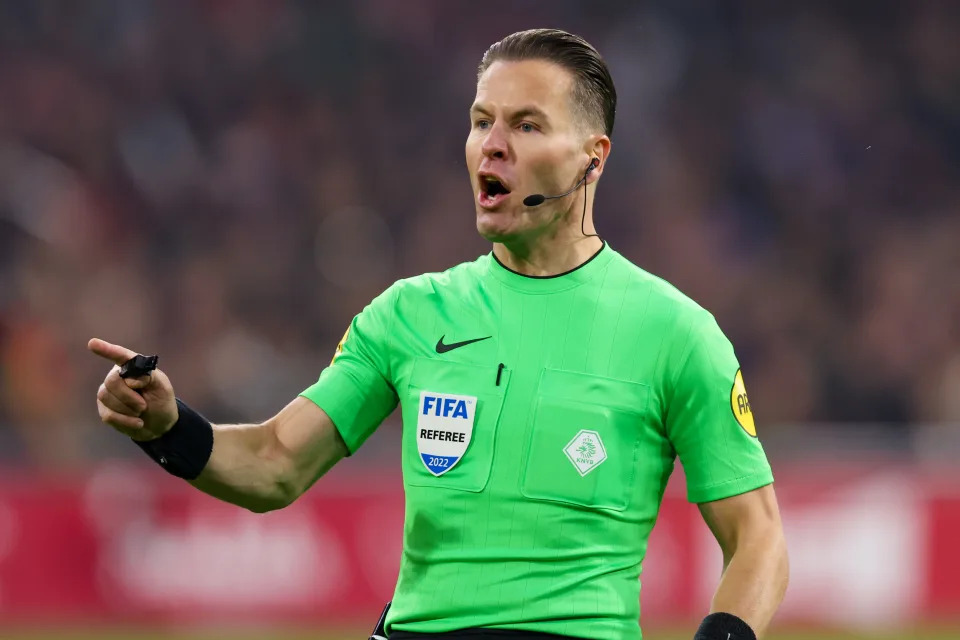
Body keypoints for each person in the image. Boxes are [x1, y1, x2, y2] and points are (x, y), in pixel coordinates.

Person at [90, 28, 788, 640]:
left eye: (526, 125)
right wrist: (167, 427)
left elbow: (758, 539)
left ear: (591, 157)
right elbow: (275, 463)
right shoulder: (409, 314)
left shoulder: (674, 332)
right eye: (481, 121)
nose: (493, 145)